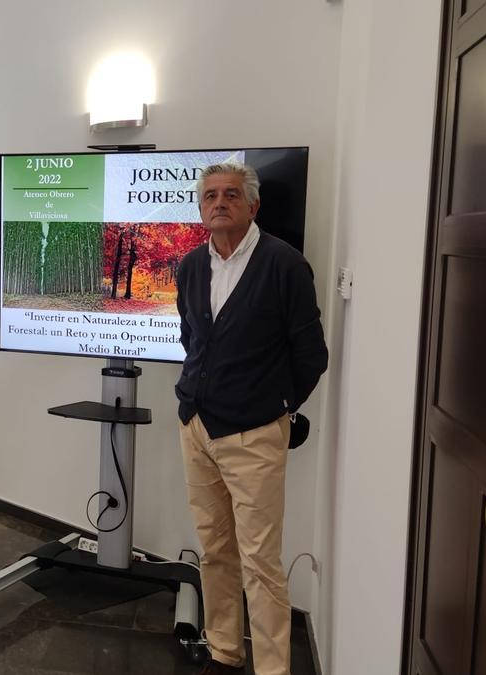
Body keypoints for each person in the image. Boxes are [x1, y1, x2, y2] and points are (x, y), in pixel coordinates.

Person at [174, 162, 328, 675]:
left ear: (253, 205)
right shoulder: (192, 266)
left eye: (231, 195)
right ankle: (224, 651)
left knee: (261, 564)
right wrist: (194, 399)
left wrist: (275, 410)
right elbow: (193, 338)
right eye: (210, 195)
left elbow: (312, 355)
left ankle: (273, 669)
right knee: (215, 549)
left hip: (255, 434)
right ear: (200, 208)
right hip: (197, 428)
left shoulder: (284, 265)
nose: (219, 202)